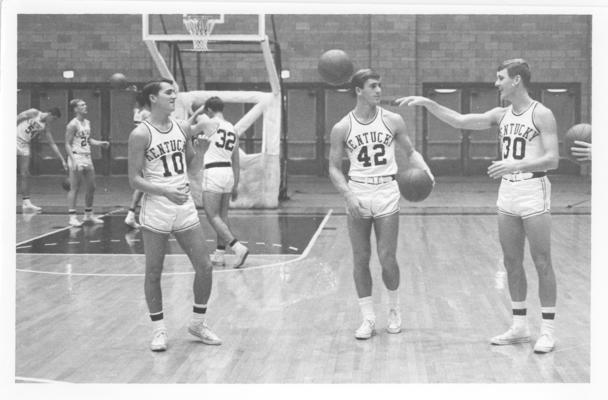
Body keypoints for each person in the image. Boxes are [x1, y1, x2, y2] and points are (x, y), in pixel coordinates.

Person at [396, 59, 560, 353]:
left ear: (517, 80)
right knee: (511, 261)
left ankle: (547, 331)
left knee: (542, 261)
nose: (496, 83)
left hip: (534, 189)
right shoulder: (501, 114)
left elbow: (552, 159)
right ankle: (520, 326)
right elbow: (460, 120)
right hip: (508, 191)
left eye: (500, 78)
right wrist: (427, 103)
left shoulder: (542, 114)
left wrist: (516, 164)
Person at [328, 69, 434, 340]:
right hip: (358, 192)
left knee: (387, 257)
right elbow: (333, 168)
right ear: (358, 90)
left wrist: (427, 172)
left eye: (380, 86)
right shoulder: (342, 127)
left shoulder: (393, 120)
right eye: (373, 86)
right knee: (361, 258)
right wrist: (347, 195)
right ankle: (368, 318)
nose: (378, 90)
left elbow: (410, 152)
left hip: (387, 190)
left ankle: (394, 310)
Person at [128, 78, 221, 352]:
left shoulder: (181, 127)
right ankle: (158, 330)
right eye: (169, 92)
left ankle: (197, 323)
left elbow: (192, 168)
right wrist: (164, 191)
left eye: (175, 92)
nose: (174, 96)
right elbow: (133, 180)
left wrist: (201, 154)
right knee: (154, 272)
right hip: (157, 206)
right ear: (153, 98)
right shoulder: (141, 134)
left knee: (204, 266)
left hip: (183, 205)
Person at [192, 96, 249, 269]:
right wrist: (236, 184)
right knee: (222, 216)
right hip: (228, 172)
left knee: (211, 215)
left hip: (214, 171)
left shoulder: (208, 124)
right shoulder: (232, 128)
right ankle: (219, 254)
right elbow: (237, 161)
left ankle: (238, 247)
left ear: (208, 110)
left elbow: (187, 130)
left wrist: (197, 112)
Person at [65, 99, 110, 227]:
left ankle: (88, 215)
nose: (85, 106)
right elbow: (67, 144)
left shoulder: (87, 122)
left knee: (92, 187)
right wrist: (73, 161)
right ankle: (72, 217)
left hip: (87, 157)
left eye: (85, 104)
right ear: (76, 109)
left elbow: (88, 140)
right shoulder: (72, 125)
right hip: (76, 157)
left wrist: (100, 143)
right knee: (75, 187)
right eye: (82, 105)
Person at [17, 107, 67, 212]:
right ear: (49, 114)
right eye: (53, 119)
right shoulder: (34, 112)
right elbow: (19, 117)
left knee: (25, 173)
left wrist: (62, 159)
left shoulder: (46, 126)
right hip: (14, 139)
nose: (53, 121)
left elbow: (52, 143)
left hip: (25, 144)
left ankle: (26, 203)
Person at [124, 96, 150, 229]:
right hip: (145, 147)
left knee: (143, 182)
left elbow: (134, 104)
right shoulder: (146, 114)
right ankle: (132, 214)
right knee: (145, 182)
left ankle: (131, 214)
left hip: (138, 146)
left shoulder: (137, 112)